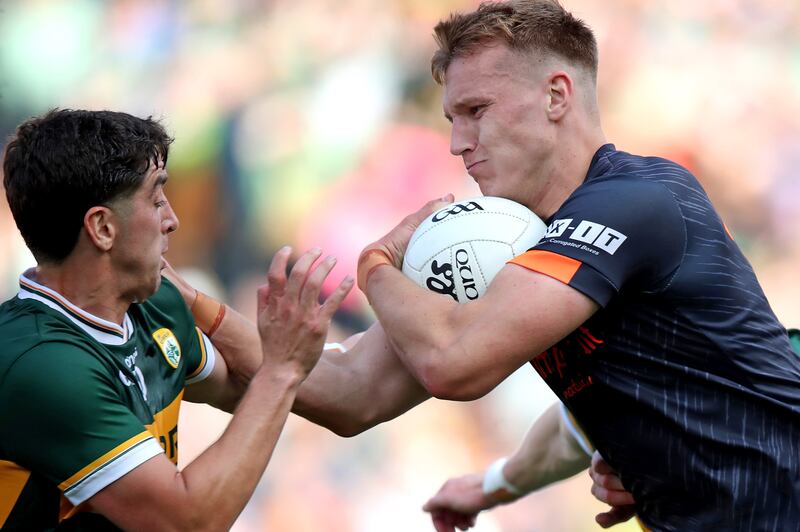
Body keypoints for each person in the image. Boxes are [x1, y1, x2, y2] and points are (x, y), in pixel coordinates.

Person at [351, 1, 800, 530]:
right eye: (452, 119)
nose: (456, 143)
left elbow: (452, 362)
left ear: (556, 95)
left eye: (477, 110)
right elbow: (353, 395)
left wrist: (375, 264)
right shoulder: (526, 242)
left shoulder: (635, 203)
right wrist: (495, 484)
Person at [0, 109, 353, 530]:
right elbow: (188, 522)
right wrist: (282, 368)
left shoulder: (150, 305)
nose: (173, 219)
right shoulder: (41, 364)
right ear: (102, 228)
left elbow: (252, 387)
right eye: (155, 199)